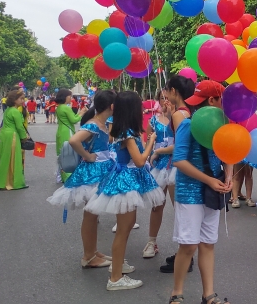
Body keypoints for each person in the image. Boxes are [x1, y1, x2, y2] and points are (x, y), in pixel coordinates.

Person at [85, 91, 164, 290]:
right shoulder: (128, 133)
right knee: (123, 229)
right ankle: (115, 278)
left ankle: (118, 267)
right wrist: (151, 142)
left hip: (125, 180)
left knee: (125, 228)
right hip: (126, 182)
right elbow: (139, 161)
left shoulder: (123, 130)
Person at [167, 80, 233, 304]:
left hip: (213, 191)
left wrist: (229, 175)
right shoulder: (188, 124)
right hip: (190, 191)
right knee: (189, 245)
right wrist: (209, 180)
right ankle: (176, 293)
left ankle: (209, 295)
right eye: (221, 100)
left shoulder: (223, 125)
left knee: (207, 243)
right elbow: (179, 160)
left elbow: (228, 152)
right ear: (213, 101)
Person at [47, 90, 117, 268]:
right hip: (92, 174)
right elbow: (74, 141)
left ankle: (93, 251)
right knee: (90, 214)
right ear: (111, 106)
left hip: (99, 172)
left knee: (93, 215)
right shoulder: (94, 125)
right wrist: (88, 155)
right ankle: (88, 256)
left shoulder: (101, 123)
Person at [158, 75, 196, 274]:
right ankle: (184, 254)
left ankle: (185, 257)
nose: (164, 94)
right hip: (183, 165)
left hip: (179, 166)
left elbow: (179, 147)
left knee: (182, 214)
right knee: (182, 213)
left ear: (174, 91)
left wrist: (157, 151)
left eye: (166, 90)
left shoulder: (179, 115)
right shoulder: (185, 111)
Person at [144, 89, 175, 259]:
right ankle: (151, 241)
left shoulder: (178, 118)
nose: (165, 101)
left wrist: (172, 116)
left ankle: (184, 246)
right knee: (157, 205)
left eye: (167, 98)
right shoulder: (153, 120)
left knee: (179, 206)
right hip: (158, 166)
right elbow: (147, 141)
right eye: (162, 98)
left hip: (175, 166)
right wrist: (150, 152)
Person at [0, 90, 30, 190]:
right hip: (12, 135)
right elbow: (20, 127)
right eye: (21, 98)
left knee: (5, 158)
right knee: (14, 159)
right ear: (14, 100)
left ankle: (3, 182)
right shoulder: (15, 111)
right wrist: (24, 137)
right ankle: (14, 183)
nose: (23, 100)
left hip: (4, 134)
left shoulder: (8, 110)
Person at [56, 89, 87, 183]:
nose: (71, 98)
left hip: (60, 131)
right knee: (69, 152)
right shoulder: (66, 108)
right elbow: (74, 120)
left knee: (62, 153)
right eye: (69, 96)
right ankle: (69, 175)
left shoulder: (59, 107)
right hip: (67, 131)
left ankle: (62, 174)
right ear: (65, 97)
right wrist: (82, 112)